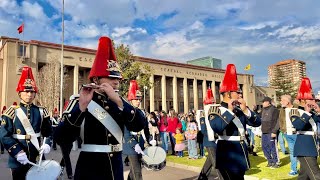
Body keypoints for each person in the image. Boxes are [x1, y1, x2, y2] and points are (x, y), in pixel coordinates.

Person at [53, 36, 146, 180]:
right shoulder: (79, 100)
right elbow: (61, 137)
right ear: (96, 79)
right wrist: (81, 108)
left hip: (115, 168)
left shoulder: (120, 102)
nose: (116, 82)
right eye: (111, 78)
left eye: (118, 79)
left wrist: (120, 103)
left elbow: (139, 125)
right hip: (90, 169)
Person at [207, 64, 261, 180]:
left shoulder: (240, 109)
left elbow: (257, 123)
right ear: (228, 94)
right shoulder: (216, 110)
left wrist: (246, 109)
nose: (240, 94)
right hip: (227, 152)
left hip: (240, 152)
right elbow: (217, 127)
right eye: (237, 92)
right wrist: (230, 111)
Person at [0, 66, 52, 179]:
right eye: (26, 91)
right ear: (20, 93)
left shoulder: (42, 111)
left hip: (37, 157)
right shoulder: (11, 112)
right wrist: (17, 152)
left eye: (32, 91)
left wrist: (47, 143)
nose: (29, 94)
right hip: (18, 159)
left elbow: (48, 132)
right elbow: (4, 136)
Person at [290, 77, 320, 179]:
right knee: (316, 176)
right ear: (302, 100)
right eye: (310, 98)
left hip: (312, 147)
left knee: (304, 177)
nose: (313, 100)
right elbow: (298, 125)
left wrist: (319, 111)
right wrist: (307, 112)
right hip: (304, 148)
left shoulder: (313, 113)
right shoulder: (295, 111)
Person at [123, 80, 149, 180]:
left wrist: (149, 139)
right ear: (130, 100)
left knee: (134, 172)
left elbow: (145, 128)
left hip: (140, 144)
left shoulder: (141, 112)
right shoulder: (126, 112)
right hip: (130, 146)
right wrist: (134, 144)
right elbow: (125, 132)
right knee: (137, 173)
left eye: (139, 99)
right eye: (136, 99)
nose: (138, 101)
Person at [198, 86, 223, 179]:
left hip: (216, 141)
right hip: (209, 141)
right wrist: (215, 134)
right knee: (216, 162)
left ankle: (202, 176)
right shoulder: (203, 115)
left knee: (209, 161)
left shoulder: (215, 113)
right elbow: (204, 130)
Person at [278, 94, 298, 176]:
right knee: (292, 152)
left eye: (282, 100)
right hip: (287, 134)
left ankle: (305, 168)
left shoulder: (296, 108)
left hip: (297, 134)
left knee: (300, 152)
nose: (280, 102)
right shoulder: (282, 110)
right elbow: (280, 120)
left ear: (288, 101)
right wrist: (283, 130)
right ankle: (293, 169)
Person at [260, 96, 280, 168]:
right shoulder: (263, 110)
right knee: (264, 147)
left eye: (264, 102)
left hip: (271, 132)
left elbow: (278, 121)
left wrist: (274, 131)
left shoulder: (274, 110)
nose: (262, 103)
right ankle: (270, 161)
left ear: (268, 103)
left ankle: (276, 162)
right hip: (264, 132)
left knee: (273, 147)